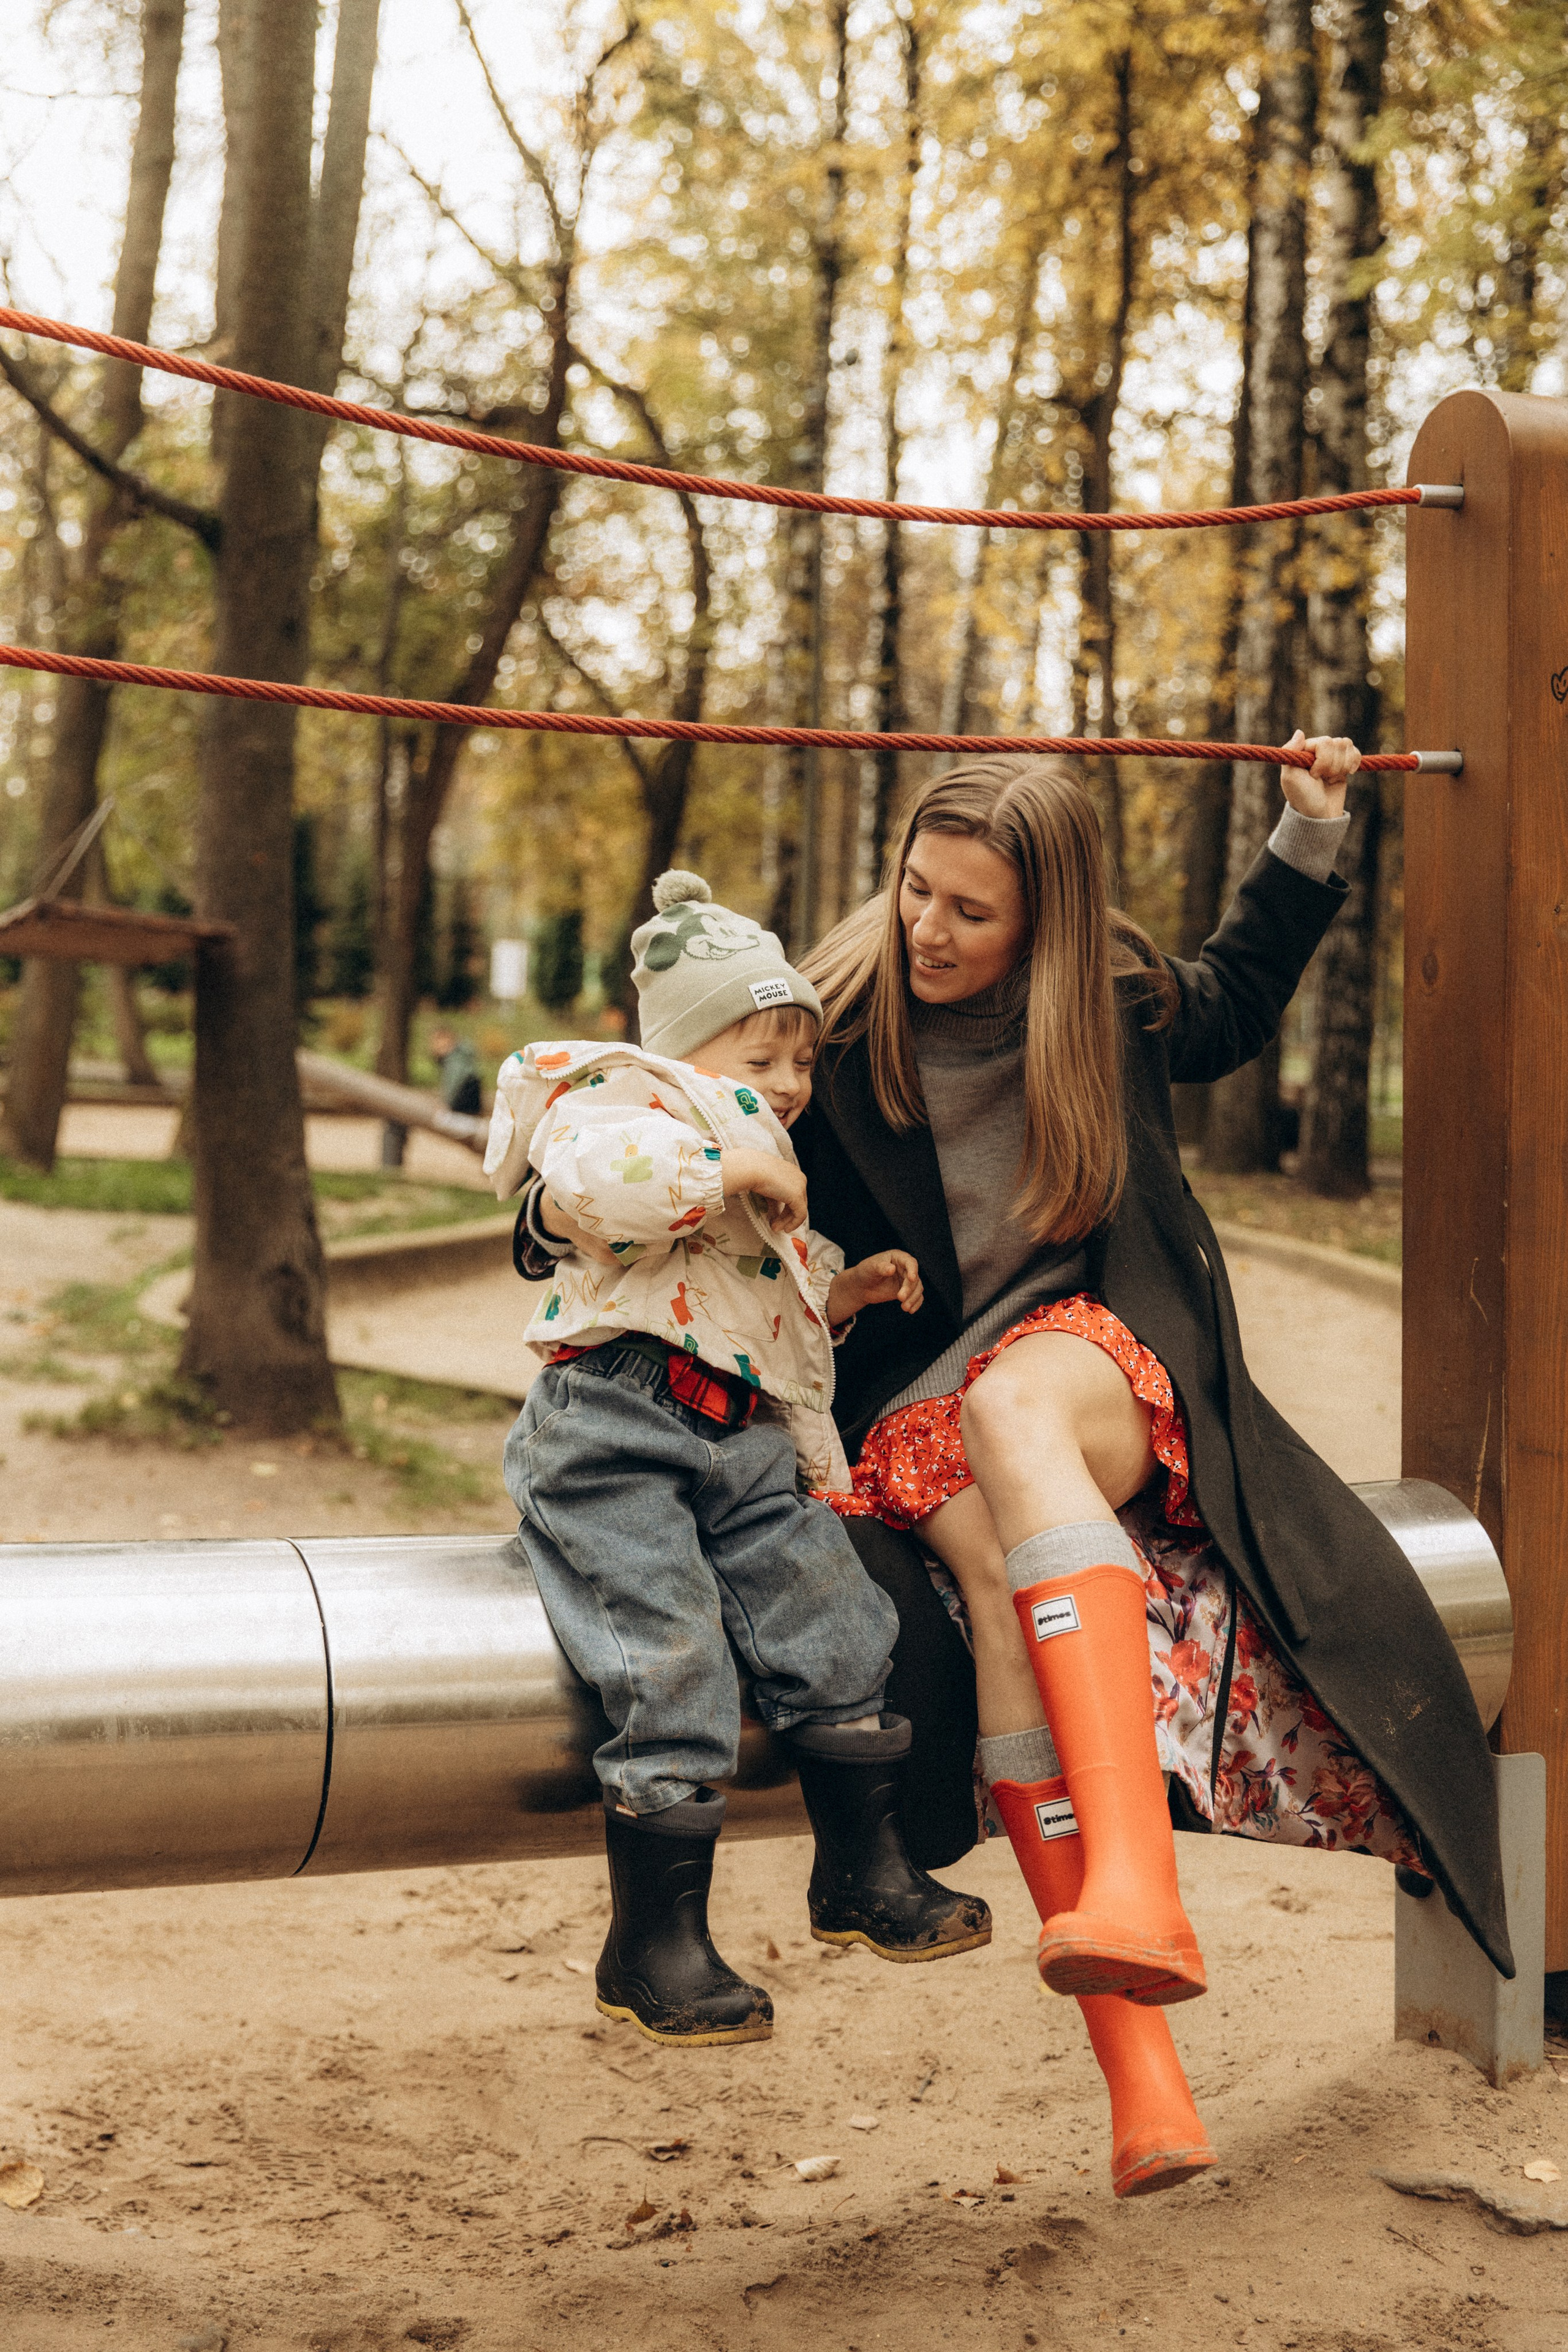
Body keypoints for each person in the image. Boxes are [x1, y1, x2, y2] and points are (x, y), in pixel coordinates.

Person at [784, 737, 1511, 2199]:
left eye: (969, 911)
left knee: (1015, 1422)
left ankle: (1133, 1881)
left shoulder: (1107, 1005)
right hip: (915, 1389)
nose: (927, 927)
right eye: (915, 889)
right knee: (988, 1592)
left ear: (1042, 926)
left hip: (1087, 1345)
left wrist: (1307, 831)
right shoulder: (831, 1018)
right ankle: (1144, 2081)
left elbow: (1236, 1001)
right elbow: (706, 1120)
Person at [489, 870, 992, 2051]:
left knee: (838, 1615)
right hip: (612, 1430)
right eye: (757, 1056)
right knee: (668, 1658)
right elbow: (588, 1191)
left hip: (735, 1439)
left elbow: (751, 1293)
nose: (786, 1085)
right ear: (682, 1049)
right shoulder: (620, 1106)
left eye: (800, 1062)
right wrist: (727, 1170)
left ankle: (862, 1875)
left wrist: (843, 1284)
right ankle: (652, 1947)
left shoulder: (756, 1168)